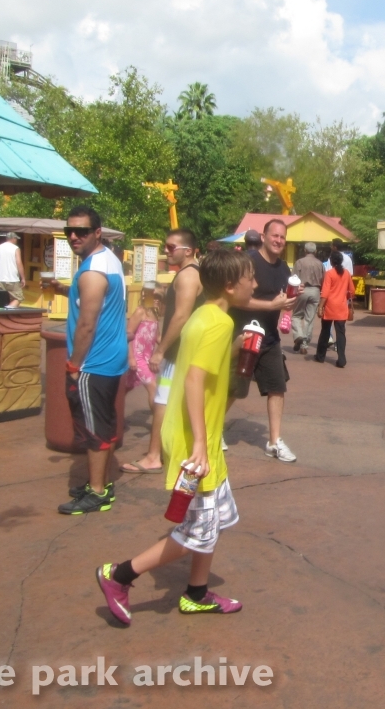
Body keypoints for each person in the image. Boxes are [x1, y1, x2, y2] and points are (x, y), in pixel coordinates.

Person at [96, 249, 256, 624]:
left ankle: (197, 593)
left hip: (196, 436)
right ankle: (118, 576)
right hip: (193, 441)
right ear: (231, 286)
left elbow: (202, 365)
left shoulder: (208, 315)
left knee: (212, 519)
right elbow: (194, 380)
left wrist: (241, 347)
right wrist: (200, 443)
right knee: (198, 529)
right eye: (250, 277)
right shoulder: (218, 323)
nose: (256, 283)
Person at [44, 206, 128, 515]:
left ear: (97, 232)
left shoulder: (93, 270)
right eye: (69, 231)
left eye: (81, 231)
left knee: (94, 430)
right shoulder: (107, 261)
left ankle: (97, 493)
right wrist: (65, 290)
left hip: (93, 362)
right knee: (101, 424)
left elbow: (88, 323)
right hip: (108, 358)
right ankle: (99, 482)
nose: (73, 236)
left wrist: (73, 365)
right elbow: (92, 300)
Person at [123, 230, 202, 475]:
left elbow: (181, 315)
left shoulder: (188, 275)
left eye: (170, 247)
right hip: (185, 349)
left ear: (187, 251)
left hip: (179, 351)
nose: (166, 252)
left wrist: (160, 350)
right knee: (175, 401)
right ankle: (174, 452)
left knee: (161, 402)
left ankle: (154, 456)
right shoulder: (188, 274)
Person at [229, 218, 298, 463]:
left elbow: (283, 302)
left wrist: (288, 307)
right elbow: (236, 300)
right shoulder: (248, 263)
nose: (278, 241)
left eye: (282, 237)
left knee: (277, 387)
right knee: (233, 389)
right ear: (264, 236)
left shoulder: (284, 269)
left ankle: (274, 441)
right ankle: (212, 431)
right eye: (274, 236)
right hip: (244, 335)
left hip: (269, 337)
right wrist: (272, 305)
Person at [314, 250, 355, 368]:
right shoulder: (346, 273)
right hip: (341, 307)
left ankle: (320, 356)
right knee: (341, 333)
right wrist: (344, 297)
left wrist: (320, 306)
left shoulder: (330, 273)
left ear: (331, 261)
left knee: (325, 332)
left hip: (329, 307)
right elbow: (352, 291)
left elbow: (325, 292)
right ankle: (342, 359)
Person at [125, 295, 161, 420]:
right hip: (137, 356)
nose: (157, 299)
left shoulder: (155, 314)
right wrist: (131, 358)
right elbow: (128, 334)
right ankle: (158, 422)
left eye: (160, 297)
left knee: (125, 388)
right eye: (155, 296)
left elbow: (158, 337)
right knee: (153, 386)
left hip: (147, 358)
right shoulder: (140, 311)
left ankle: (113, 414)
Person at [291, 241, 324, 355]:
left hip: (302, 289)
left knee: (296, 315)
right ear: (315, 251)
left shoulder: (299, 262)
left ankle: (298, 335)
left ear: (305, 251)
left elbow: (293, 279)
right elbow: (323, 280)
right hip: (316, 291)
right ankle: (304, 345)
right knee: (309, 319)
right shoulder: (320, 264)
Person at [0, 232, 26, 308]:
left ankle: (4, 314)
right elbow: (19, 263)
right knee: (19, 298)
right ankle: (8, 311)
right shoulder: (15, 248)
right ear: (13, 239)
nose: (16, 241)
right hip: (12, 279)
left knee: (3, 299)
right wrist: (23, 278)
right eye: (16, 239)